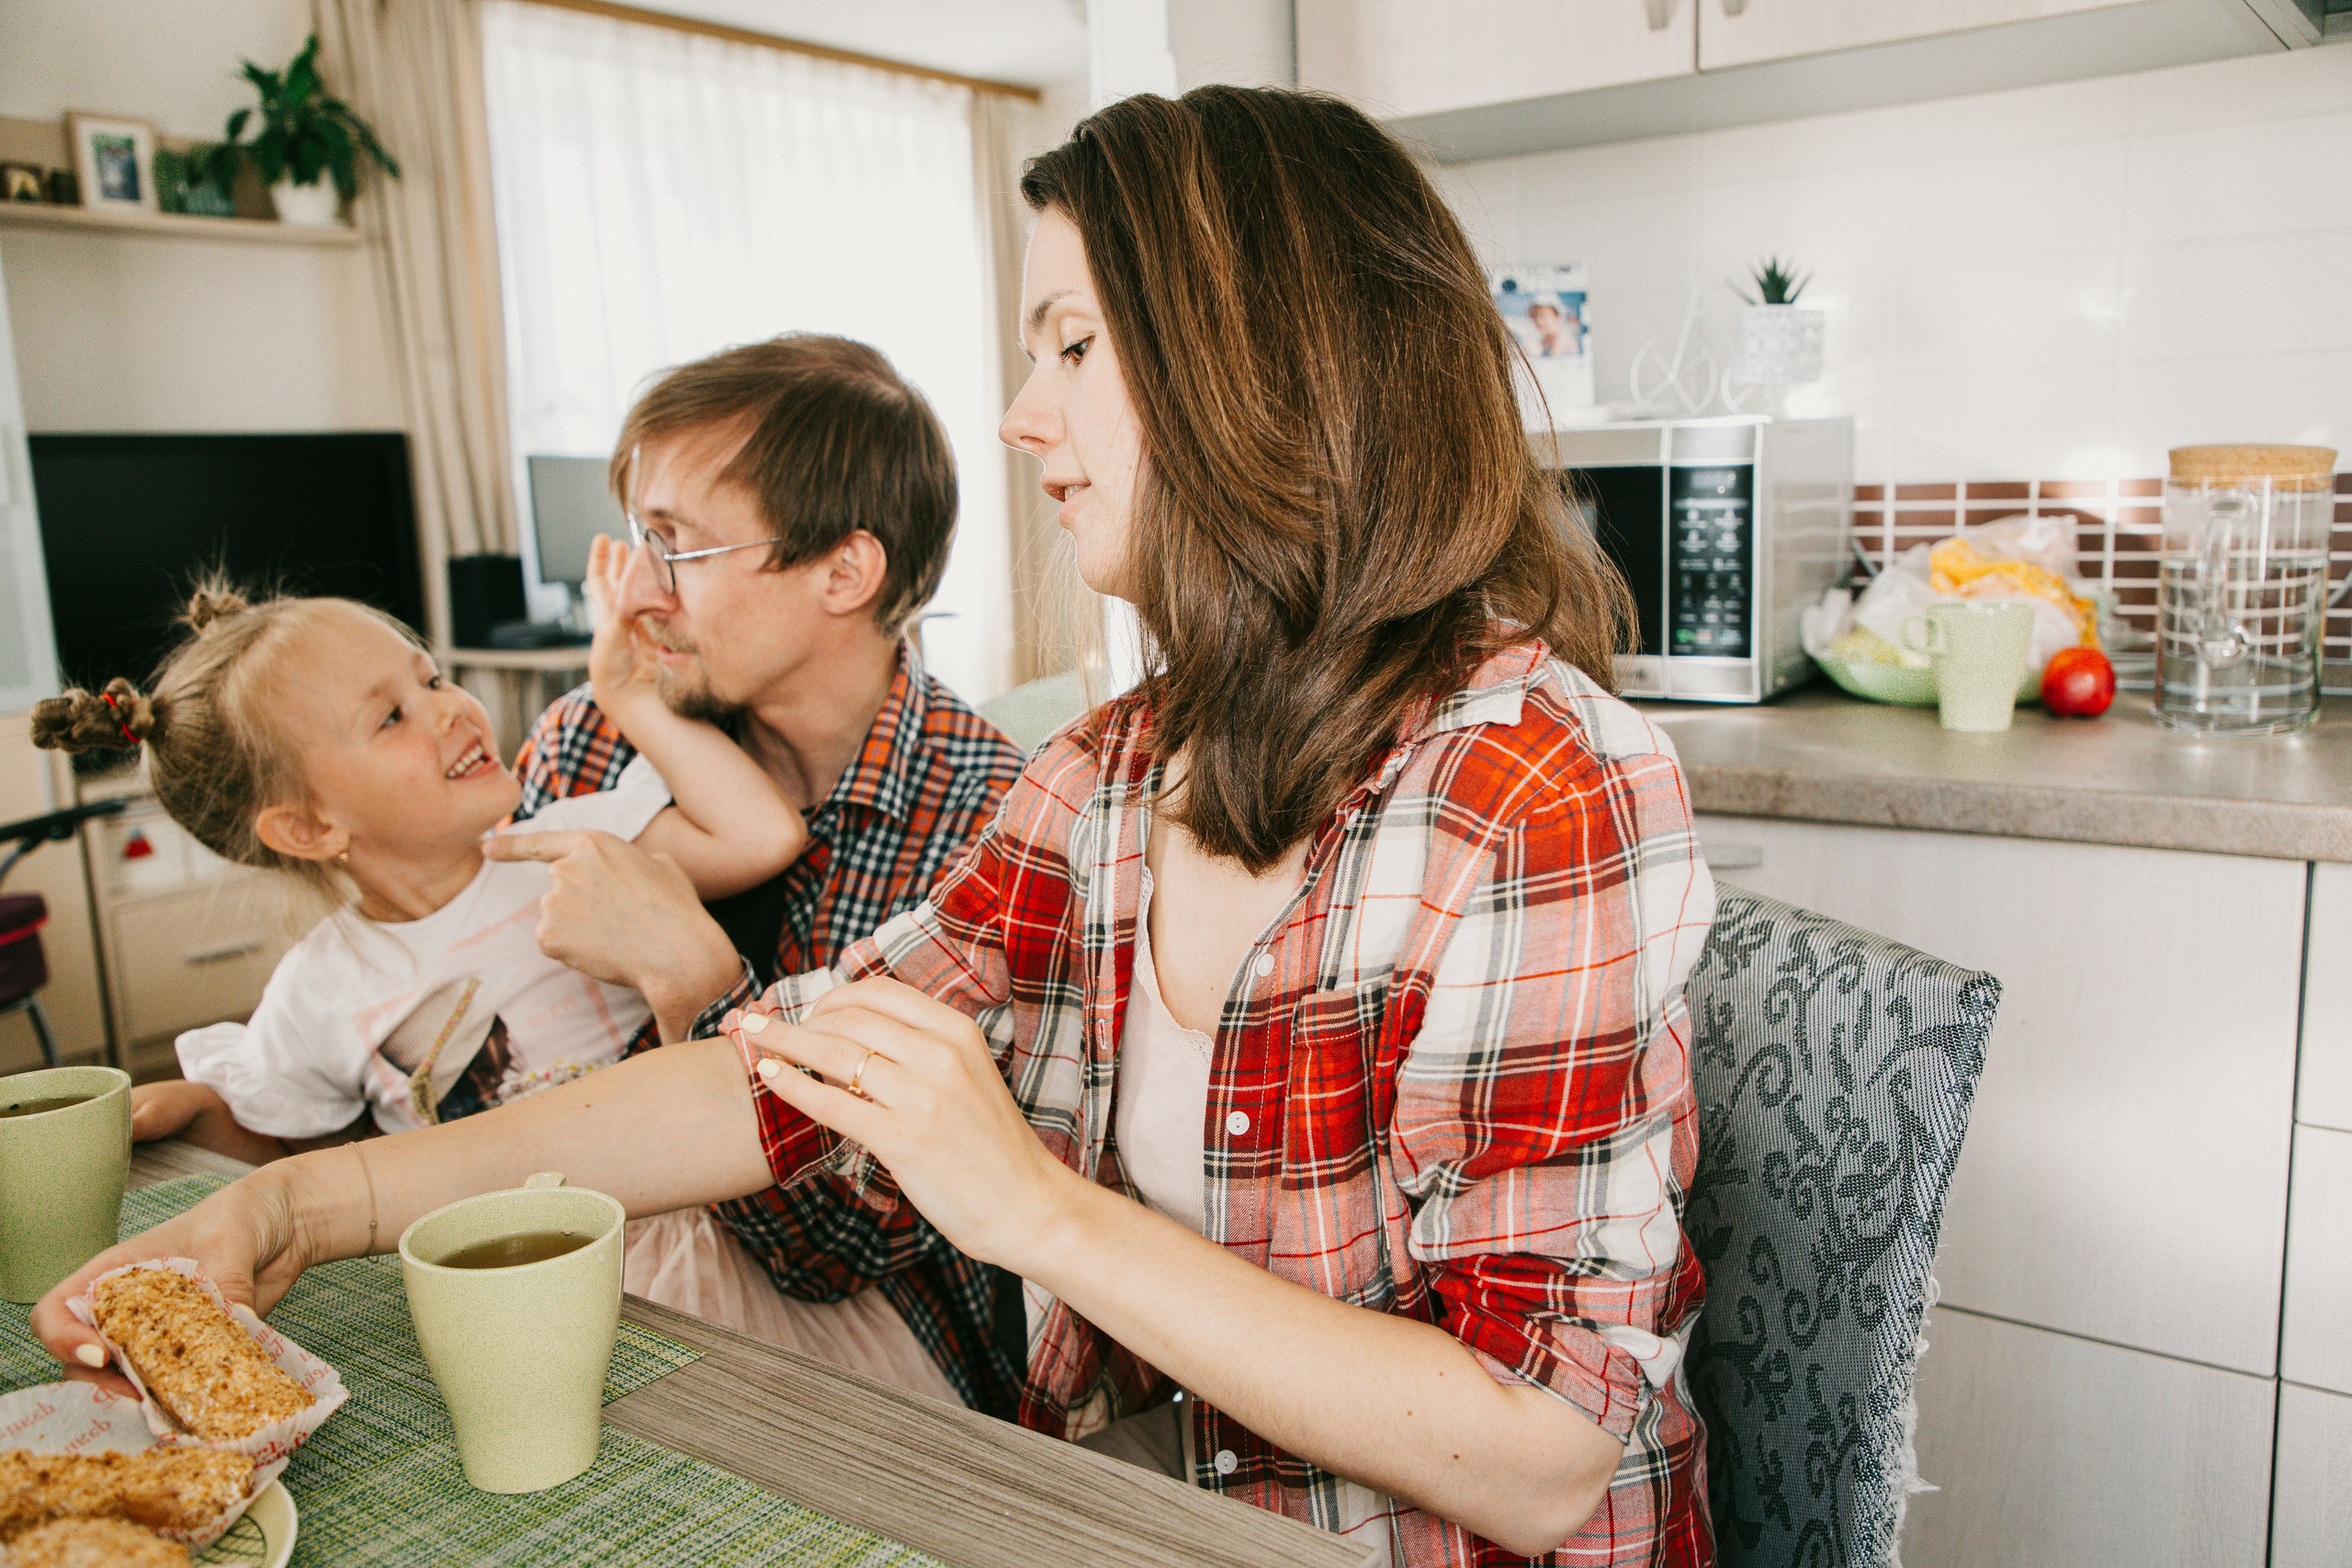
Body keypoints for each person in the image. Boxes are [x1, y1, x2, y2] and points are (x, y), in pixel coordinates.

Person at [40, 87, 1715, 1566]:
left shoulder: (1540, 787)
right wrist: (304, 1208)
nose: (1017, 414)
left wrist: (1038, 1208)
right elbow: (782, 1071)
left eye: (1069, 345)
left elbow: (1544, 1454)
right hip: (1139, 1506)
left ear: (1254, 365)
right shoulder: (1124, 772)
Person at [489, 333, 1028, 1414]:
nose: (636, 593)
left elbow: (835, 1251)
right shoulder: (589, 748)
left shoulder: (993, 826)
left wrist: (692, 984)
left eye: (678, 546)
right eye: (638, 537)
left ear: (844, 571)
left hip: (882, 1354)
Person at [30, 573, 804, 1163]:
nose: (452, 706)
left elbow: (765, 836)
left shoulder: (577, 843)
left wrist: (628, 695)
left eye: (430, 677)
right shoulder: (319, 987)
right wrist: (194, 1112)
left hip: (668, 1229)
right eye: (392, 715)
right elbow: (294, 1145)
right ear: (307, 826)